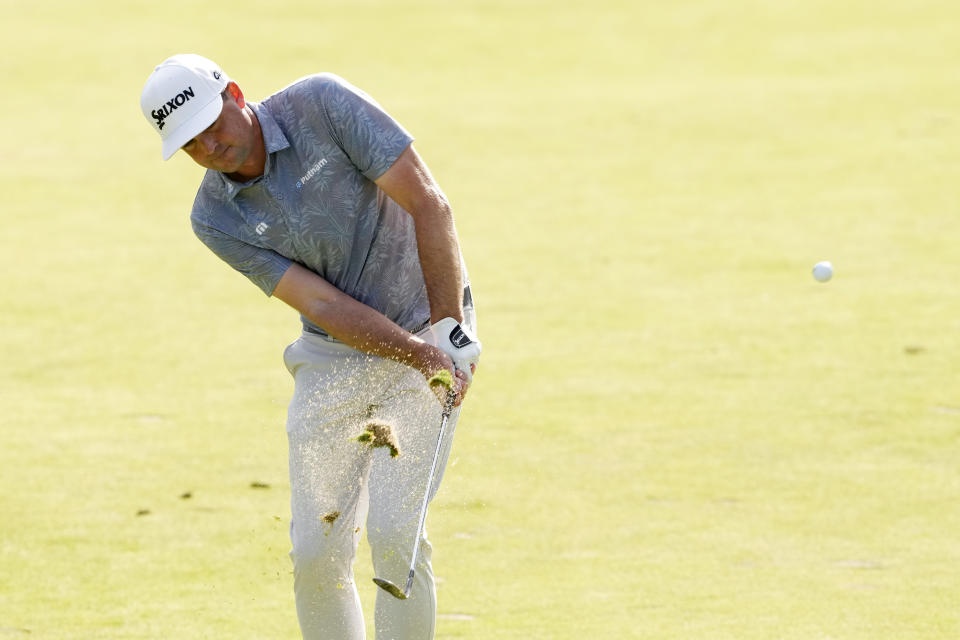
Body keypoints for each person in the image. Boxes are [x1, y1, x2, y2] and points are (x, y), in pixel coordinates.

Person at [139, 53, 481, 640]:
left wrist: (445, 336)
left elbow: (428, 202)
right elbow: (321, 306)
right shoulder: (213, 217)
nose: (210, 146)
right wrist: (418, 355)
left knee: (396, 537)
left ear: (235, 94)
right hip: (334, 355)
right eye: (191, 142)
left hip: (427, 320)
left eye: (212, 124)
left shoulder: (322, 104)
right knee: (316, 549)